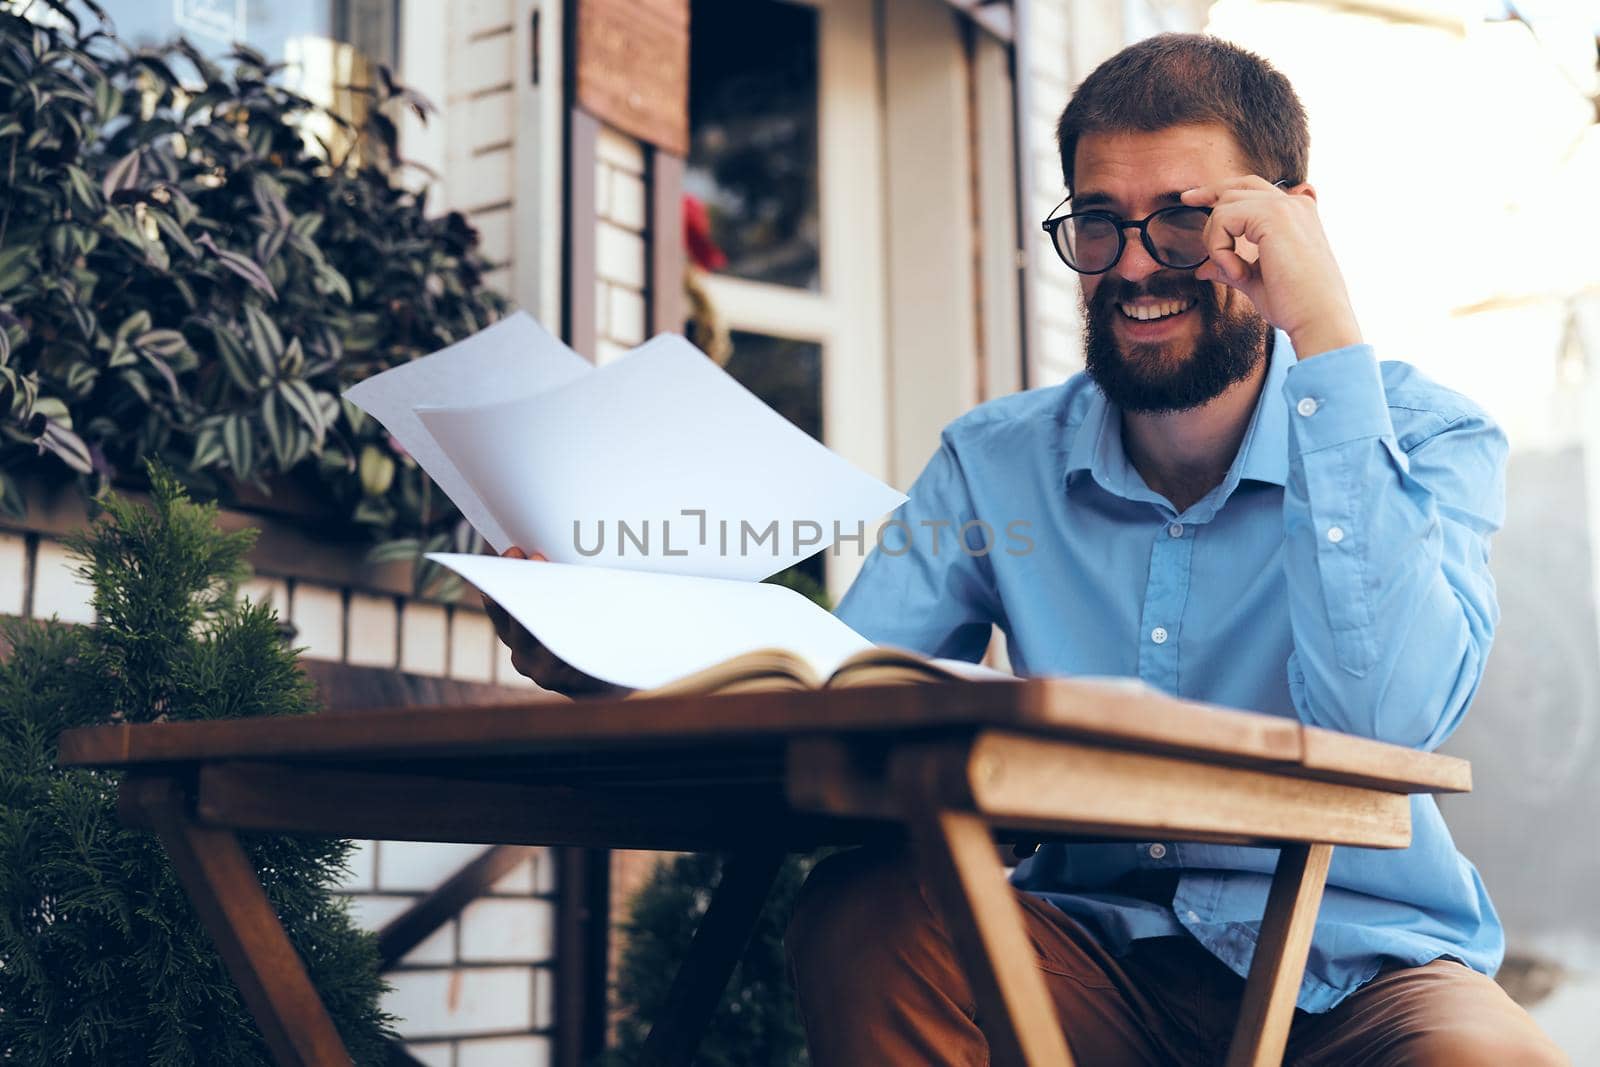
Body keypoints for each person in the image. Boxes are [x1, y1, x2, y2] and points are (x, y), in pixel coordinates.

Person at [488, 32, 1566, 1066]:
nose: (1135, 267)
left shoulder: (1423, 433)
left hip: (1362, 972)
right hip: (1082, 961)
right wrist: (611, 657)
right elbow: (832, 705)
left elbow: (1388, 721)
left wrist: (1325, 333)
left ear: (1286, 224)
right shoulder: (991, 462)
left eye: (1183, 221)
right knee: (865, 912)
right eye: (1099, 223)